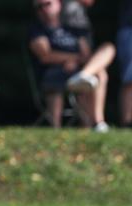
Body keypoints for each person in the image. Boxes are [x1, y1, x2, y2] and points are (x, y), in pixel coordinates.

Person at [28, 0, 114, 130]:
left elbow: (86, 55)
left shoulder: (73, 29)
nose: (44, 9)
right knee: (87, 78)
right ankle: (55, 128)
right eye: (39, 6)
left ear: (59, 4)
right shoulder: (37, 29)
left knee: (107, 52)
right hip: (54, 72)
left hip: (77, 71)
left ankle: (98, 123)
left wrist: (77, 63)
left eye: (48, 4)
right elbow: (45, 55)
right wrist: (71, 59)